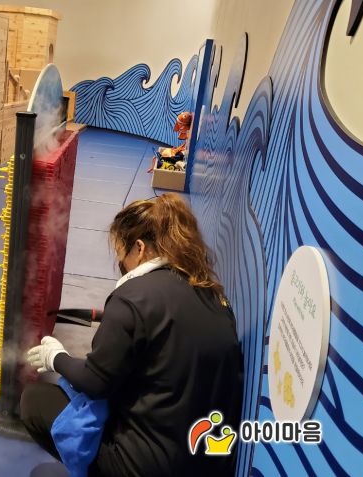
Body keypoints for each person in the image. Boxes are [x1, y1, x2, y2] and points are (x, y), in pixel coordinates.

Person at [20, 193, 243, 477]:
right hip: (209, 461)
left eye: (121, 255)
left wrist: (56, 358)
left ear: (139, 248)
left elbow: (95, 382)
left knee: (36, 400)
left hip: (146, 467)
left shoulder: (132, 297)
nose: (121, 263)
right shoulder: (213, 295)